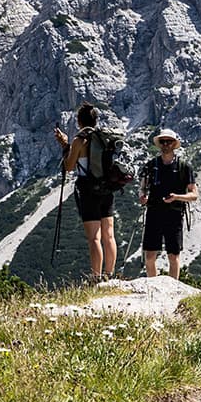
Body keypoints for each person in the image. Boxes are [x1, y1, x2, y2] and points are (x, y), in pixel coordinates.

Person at [53, 102, 116, 280]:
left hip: (89, 191)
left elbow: (70, 166)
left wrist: (66, 146)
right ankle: (110, 275)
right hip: (107, 189)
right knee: (108, 234)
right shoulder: (103, 137)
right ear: (95, 120)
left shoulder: (80, 140)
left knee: (94, 238)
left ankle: (96, 278)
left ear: (80, 122)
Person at [139, 128, 198, 280]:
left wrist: (177, 197)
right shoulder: (151, 165)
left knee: (173, 255)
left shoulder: (184, 167)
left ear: (174, 144)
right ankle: (153, 287)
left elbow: (194, 194)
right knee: (150, 256)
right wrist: (143, 196)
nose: (165, 144)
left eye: (169, 141)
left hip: (174, 214)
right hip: (154, 212)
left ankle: (173, 290)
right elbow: (142, 187)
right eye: (163, 142)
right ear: (159, 144)